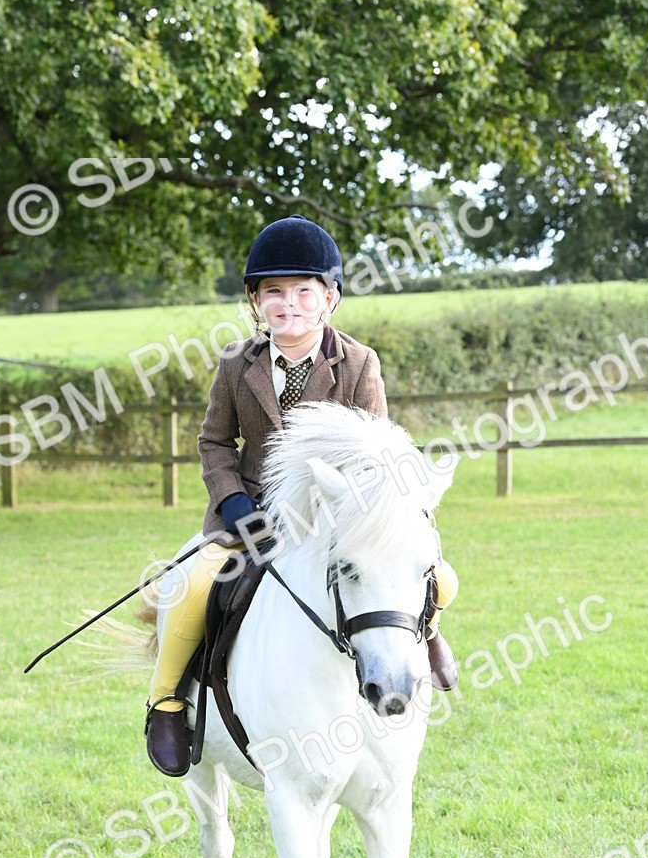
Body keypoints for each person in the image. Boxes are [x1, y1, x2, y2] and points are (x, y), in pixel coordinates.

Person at [145, 214, 459, 776]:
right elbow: (215, 441)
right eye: (273, 293)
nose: (287, 304)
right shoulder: (236, 366)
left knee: (444, 578)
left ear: (329, 299)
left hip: (331, 522)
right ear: (255, 301)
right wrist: (234, 502)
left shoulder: (359, 363)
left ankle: (426, 635)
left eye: (301, 292)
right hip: (249, 518)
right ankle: (167, 700)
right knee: (188, 583)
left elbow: (375, 454)